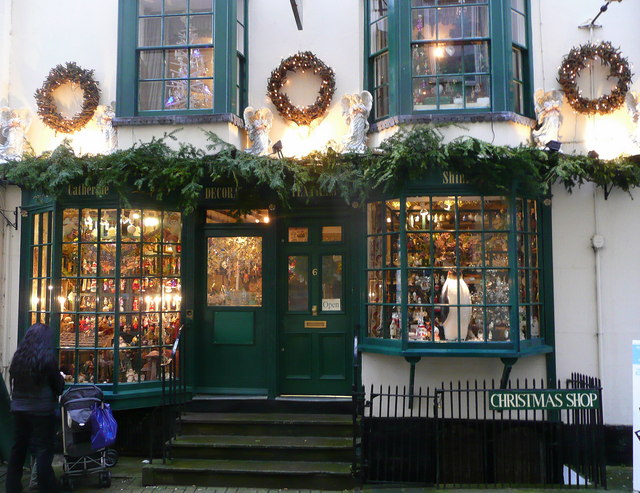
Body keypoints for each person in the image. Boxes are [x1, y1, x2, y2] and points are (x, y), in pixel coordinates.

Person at [6, 323, 65, 493]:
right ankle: (48, 488)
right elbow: (58, 387)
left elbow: (15, 385)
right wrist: (60, 378)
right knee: (43, 451)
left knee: (18, 450)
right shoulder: (48, 360)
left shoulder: (19, 359)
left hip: (19, 410)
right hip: (42, 412)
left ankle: (12, 488)